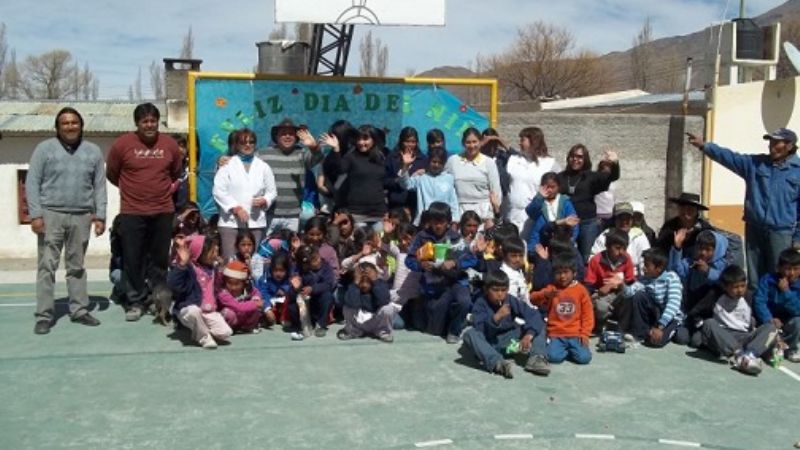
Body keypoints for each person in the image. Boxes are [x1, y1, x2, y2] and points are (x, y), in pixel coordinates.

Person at [26, 107, 107, 334]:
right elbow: (32, 182)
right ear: (57, 127)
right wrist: (36, 215)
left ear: (81, 125)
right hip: (50, 215)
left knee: (76, 267)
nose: (70, 126)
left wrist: (100, 215)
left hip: (81, 216)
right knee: (46, 267)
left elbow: (99, 186)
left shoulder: (93, 151)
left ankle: (79, 310)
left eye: (74, 122)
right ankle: (44, 315)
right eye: (65, 123)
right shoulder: (44, 149)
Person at [687, 130, 800, 291]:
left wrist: (797, 237)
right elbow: (730, 157)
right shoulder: (755, 164)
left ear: (789, 146)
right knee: (755, 278)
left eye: (777, 143)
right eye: (770, 142)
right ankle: (755, 306)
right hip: (754, 228)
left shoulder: (797, 171)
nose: (771, 146)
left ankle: (778, 306)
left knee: (780, 275)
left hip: (780, 232)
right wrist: (704, 146)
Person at [106, 102, 182, 322]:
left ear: (158, 122)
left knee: (159, 260)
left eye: (153, 121)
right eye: (144, 121)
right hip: (132, 211)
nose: (149, 125)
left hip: (163, 210)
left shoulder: (169, 145)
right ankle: (136, 301)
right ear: (137, 123)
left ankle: (159, 300)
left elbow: (175, 172)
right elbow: (112, 174)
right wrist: (134, 190)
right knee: (133, 259)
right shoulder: (122, 144)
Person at [405, 202, 476, 343]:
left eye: (441, 222)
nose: (438, 226)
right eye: (434, 222)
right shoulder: (422, 237)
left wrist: (455, 263)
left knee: (464, 301)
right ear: (429, 221)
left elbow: (472, 259)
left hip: (455, 281)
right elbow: (409, 260)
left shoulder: (456, 238)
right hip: (433, 284)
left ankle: (454, 331)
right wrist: (421, 265)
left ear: (448, 222)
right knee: (433, 330)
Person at [461, 270, 549, 378]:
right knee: (470, 334)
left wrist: (528, 335)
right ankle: (498, 364)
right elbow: (480, 329)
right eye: (495, 290)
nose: (500, 294)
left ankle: (536, 359)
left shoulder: (510, 300)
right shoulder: (480, 303)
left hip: (511, 340)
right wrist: (496, 318)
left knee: (539, 324)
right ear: (486, 289)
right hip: (492, 344)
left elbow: (533, 314)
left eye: (503, 290)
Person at [697, 265, 777, 375]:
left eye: (743, 286)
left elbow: (759, 320)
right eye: (735, 287)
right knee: (709, 323)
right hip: (723, 337)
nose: (740, 290)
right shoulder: (715, 295)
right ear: (725, 287)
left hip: (745, 337)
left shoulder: (749, 297)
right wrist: (698, 328)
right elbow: (696, 313)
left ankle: (749, 355)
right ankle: (739, 356)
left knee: (771, 328)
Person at [213, 128, 277, 260]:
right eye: (243, 142)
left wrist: (265, 200)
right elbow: (218, 190)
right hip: (230, 223)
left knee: (253, 261)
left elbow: (272, 191)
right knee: (230, 261)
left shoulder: (263, 166)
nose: (248, 145)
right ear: (236, 145)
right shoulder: (227, 165)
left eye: (251, 142)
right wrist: (235, 208)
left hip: (255, 221)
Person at [255, 118, 323, 234]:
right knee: (266, 245)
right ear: (276, 136)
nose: (287, 136)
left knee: (291, 244)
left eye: (291, 133)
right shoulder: (262, 154)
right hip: (269, 214)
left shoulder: (302, 154)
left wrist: (313, 147)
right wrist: (225, 160)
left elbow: (318, 158)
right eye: (283, 133)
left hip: (293, 216)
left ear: (296, 137)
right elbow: (245, 164)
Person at [167, 234, 232, 349]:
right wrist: (182, 264)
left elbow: (218, 286)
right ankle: (204, 337)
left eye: (216, 251)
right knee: (194, 311)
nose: (215, 255)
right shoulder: (188, 268)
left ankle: (199, 329)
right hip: (189, 308)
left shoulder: (213, 269)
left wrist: (222, 269)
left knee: (225, 333)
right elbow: (173, 284)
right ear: (199, 253)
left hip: (208, 311)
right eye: (212, 252)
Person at [557, 144, 620, 262]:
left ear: (585, 159)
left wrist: (614, 163)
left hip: (587, 223)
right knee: (566, 256)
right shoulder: (560, 177)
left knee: (586, 257)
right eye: (573, 156)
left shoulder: (591, 176)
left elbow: (612, 177)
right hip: (566, 223)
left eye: (579, 157)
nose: (575, 159)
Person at [531, 255, 594, 365]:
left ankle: (571, 350)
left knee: (584, 358)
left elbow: (587, 314)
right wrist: (545, 295)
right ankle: (566, 350)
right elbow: (532, 298)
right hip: (556, 334)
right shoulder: (552, 288)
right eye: (558, 273)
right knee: (552, 357)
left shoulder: (581, 290)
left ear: (574, 273)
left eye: (566, 272)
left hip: (575, 334)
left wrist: (585, 334)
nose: (562, 276)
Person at [322, 125, 387, 230]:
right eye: (358, 139)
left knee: (378, 240)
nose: (361, 142)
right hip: (357, 213)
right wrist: (336, 149)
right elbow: (339, 170)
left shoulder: (381, 158)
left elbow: (386, 181)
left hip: (378, 213)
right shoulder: (351, 157)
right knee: (359, 239)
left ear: (373, 140)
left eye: (365, 139)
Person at [505, 127, 561, 236]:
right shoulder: (513, 160)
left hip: (535, 217)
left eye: (522, 140)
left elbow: (557, 189)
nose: (519, 143)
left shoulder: (549, 163)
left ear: (533, 141)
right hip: (513, 214)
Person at [623, 249, 684, 347]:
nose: (643, 268)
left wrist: (660, 325)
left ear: (659, 268)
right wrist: (621, 285)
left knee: (656, 341)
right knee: (639, 295)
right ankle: (640, 333)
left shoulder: (671, 278)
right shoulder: (644, 279)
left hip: (670, 318)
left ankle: (672, 330)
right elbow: (629, 293)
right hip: (656, 314)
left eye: (647, 265)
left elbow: (673, 303)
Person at [445, 128, 502, 226]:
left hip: (484, 216)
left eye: (474, 142)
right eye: (468, 142)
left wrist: (491, 216)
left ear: (480, 142)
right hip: (460, 215)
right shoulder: (453, 161)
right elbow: (445, 185)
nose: (472, 146)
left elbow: (496, 192)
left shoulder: (488, 162)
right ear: (463, 143)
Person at [753, 248, 800, 363]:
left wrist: (786, 292)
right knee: (752, 321)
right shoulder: (768, 279)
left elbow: (798, 310)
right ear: (778, 268)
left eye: (796, 269)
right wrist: (769, 319)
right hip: (769, 319)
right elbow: (759, 301)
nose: (792, 273)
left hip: (788, 321)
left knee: (798, 322)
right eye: (788, 269)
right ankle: (766, 346)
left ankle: (790, 349)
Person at [584, 228, 636, 333]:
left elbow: (631, 281)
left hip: (619, 293)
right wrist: (602, 290)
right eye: (617, 248)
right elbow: (589, 285)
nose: (621, 252)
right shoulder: (596, 260)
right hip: (601, 294)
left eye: (624, 248)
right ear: (607, 246)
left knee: (631, 298)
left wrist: (619, 284)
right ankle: (600, 324)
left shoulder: (627, 259)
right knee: (601, 307)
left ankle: (622, 327)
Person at [668, 230, 728, 313]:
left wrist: (708, 271)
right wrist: (677, 248)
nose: (703, 253)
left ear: (717, 250)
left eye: (708, 250)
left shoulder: (722, 265)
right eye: (700, 248)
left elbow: (725, 280)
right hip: (691, 303)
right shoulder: (692, 262)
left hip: (713, 309)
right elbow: (675, 272)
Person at [398, 147, 459, 226]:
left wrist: (455, 220)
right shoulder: (422, 178)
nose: (436, 165)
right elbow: (405, 185)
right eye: (434, 162)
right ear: (429, 161)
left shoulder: (449, 178)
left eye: (440, 163)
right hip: (424, 222)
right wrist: (405, 166)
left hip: (443, 222)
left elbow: (453, 201)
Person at [338, 262, 395, 342]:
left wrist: (374, 280)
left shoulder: (380, 283)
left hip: (376, 322)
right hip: (359, 323)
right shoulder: (353, 285)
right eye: (362, 275)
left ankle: (383, 332)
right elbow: (352, 303)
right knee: (347, 307)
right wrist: (356, 282)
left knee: (388, 308)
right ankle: (354, 331)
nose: (365, 275)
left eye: (368, 273)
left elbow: (383, 300)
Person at [525, 172, 580, 254]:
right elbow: (531, 213)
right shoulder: (539, 201)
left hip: (560, 242)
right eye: (547, 187)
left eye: (553, 187)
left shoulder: (565, 202)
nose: (550, 190)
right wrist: (539, 197)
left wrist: (570, 242)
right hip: (540, 240)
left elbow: (574, 223)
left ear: (558, 187)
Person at [288, 245, 336, 337]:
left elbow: (329, 285)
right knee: (292, 306)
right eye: (313, 260)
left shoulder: (325, 267)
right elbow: (291, 294)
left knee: (328, 297)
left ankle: (321, 324)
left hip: (316, 302)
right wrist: (296, 288)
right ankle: (300, 325)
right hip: (304, 304)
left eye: (317, 257)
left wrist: (313, 288)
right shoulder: (297, 271)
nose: (318, 261)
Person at [590, 202, 651, 275]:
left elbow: (645, 262)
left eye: (627, 218)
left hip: (633, 277)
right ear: (615, 220)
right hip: (606, 275)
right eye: (621, 218)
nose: (624, 222)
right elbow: (593, 258)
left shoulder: (639, 236)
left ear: (632, 220)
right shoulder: (605, 235)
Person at [655, 192, 715, 258]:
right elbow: (659, 250)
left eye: (690, 209)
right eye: (682, 208)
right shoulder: (669, 227)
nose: (685, 212)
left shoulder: (705, 229)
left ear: (697, 211)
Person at [385, 126, 428, 216]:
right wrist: (398, 180)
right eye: (407, 141)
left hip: (415, 204)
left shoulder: (423, 159)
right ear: (401, 141)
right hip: (396, 204)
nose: (410, 145)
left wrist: (422, 176)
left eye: (413, 142)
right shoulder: (392, 158)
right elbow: (384, 181)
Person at [217, 260, 265, 334]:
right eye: (229, 283)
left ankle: (247, 327)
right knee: (229, 313)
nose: (233, 287)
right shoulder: (223, 292)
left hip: (242, 318)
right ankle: (229, 329)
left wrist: (256, 299)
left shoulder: (247, 289)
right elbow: (237, 307)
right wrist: (254, 304)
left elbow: (256, 292)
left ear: (243, 283)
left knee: (256, 310)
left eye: (237, 284)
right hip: (231, 319)